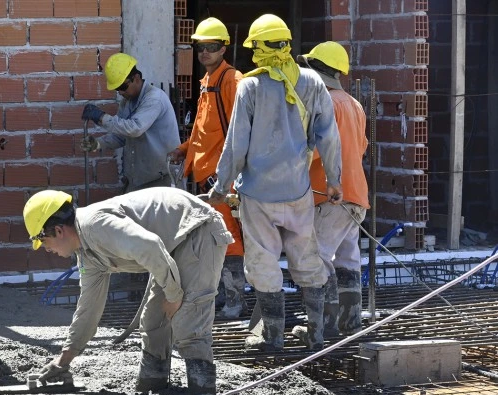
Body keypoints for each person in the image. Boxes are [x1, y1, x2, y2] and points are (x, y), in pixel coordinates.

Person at [206, 14, 343, 351]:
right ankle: (316, 335)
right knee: (308, 260)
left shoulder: (249, 87)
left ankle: (274, 337)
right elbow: (329, 136)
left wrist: (221, 187)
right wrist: (335, 180)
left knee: (264, 263)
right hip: (298, 192)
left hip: (257, 195)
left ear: (257, 47)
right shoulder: (311, 82)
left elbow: (236, 144)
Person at [24, 187, 233, 395]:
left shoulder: (96, 226)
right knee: (153, 321)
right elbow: (88, 309)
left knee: (189, 317)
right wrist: (64, 360)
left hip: (197, 230)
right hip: (171, 245)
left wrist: (173, 295)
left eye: (44, 242)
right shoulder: (88, 255)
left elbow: (150, 246)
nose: (46, 250)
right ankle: (154, 387)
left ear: (59, 231)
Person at [167, 18, 246, 318]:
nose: (205, 53)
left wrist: (229, 177)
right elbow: (204, 131)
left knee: (230, 240)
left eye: (212, 47)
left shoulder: (231, 81)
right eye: (201, 47)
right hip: (205, 180)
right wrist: (184, 150)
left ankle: (236, 299)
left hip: (221, 181)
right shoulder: (207, 84)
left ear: (223, 48)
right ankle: (221, 297)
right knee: (212, 241)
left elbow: (241, 130)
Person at [292, 41, 369, 342]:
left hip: (329, 196)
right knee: (348, 260)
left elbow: (311, 150)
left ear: (316, 70)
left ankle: (320, 329)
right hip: (356, 196)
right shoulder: (354, 104)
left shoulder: (322, 102)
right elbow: (360, 148)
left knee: (316, 258)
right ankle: (350, 325)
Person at [80, 53, 180, 192]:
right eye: (117, 89)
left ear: (136, 78)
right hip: (139, 180)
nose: (120, 92)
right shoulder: (127, 102)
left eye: (123, 86)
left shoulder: (154, 98)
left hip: (162, 180)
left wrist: (102, 117)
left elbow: (135, 128)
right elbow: (122, 136)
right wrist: (98, 143)